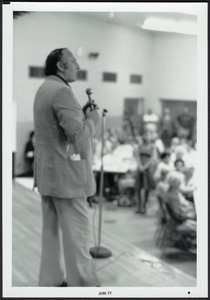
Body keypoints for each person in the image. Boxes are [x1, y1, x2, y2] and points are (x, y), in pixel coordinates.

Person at [33, 48, 100, 287]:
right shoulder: (62, 91)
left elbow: (57, 133)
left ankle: (50, 281)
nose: (77, 66)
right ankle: (82, 285)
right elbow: (76, 137)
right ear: (61, 66)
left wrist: (80, 117)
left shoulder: (44, 88)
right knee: (78, 237)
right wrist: (92, 122)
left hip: (48, 175)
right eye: (73, 62)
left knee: (50, 234)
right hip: (67, 180)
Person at [135, 130, 158, 214]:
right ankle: (139, 206)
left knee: (146, 187)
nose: (147, 137)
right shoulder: (139, 146)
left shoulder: (153, 147)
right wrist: (140, 165)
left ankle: (144, 206)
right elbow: (137, 156)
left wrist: (145, 167)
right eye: (145, 135)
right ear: (143, 136)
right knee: (138, 188)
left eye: (149, 135)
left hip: (148, 168)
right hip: (140, 167)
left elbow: (152, 158)